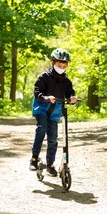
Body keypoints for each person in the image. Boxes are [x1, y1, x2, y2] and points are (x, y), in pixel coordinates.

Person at [29, 48, 77, 176]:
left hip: (55, 111)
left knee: (53, 138)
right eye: (59, 63)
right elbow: (37, 91)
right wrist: (45, 98)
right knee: (41, 129)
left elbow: (70, 92)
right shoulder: (44, 77)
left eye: (64, 64)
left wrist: (72, 98)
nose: (62, 66)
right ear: (53, 62)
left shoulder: (66, 81)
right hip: (42, 108)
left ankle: (50, 164)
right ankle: (34, 159)